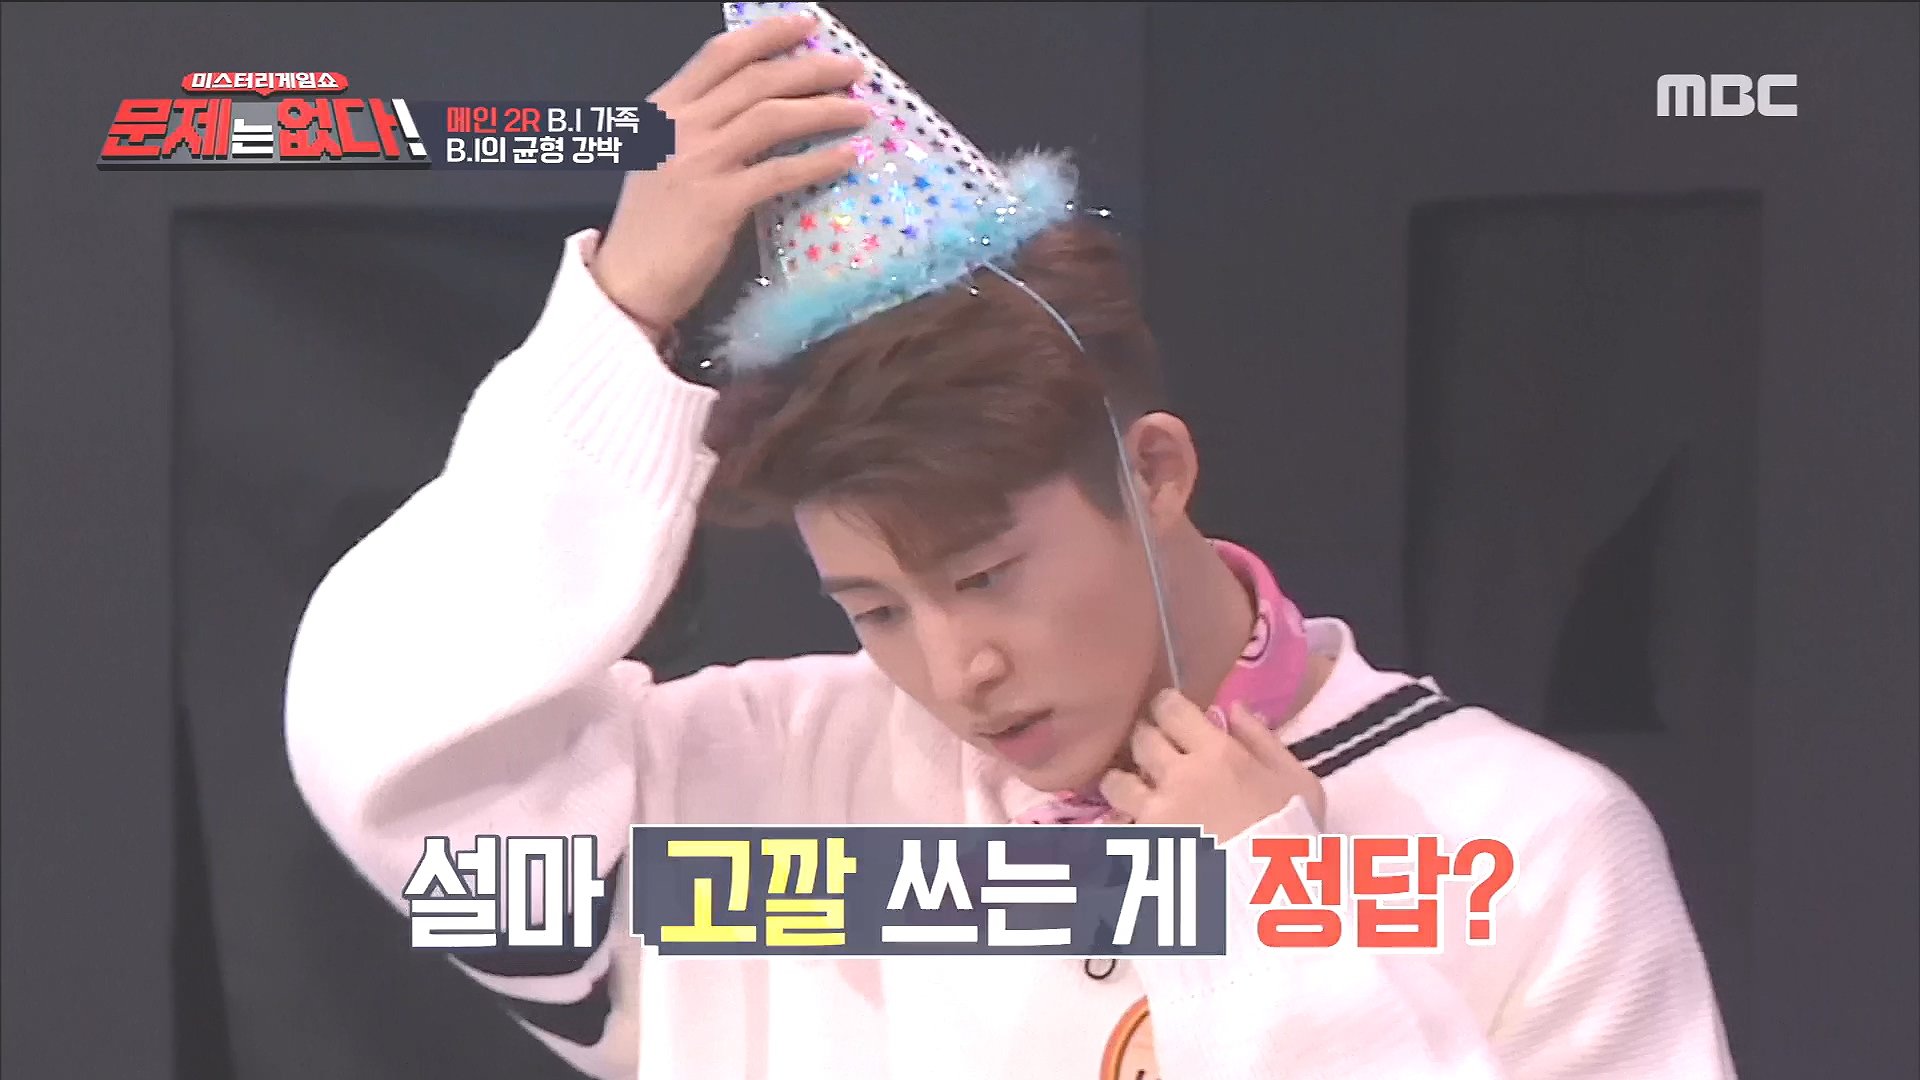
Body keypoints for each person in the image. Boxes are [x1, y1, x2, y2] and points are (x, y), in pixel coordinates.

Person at [285, 7, 1737, 1079]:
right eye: (874, 607)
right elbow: (400, 758)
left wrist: (1265, 924)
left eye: (984, 575)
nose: (956, 668)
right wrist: (615, 326)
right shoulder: (769, 806)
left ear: (1153, 471)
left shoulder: (1517, 843)